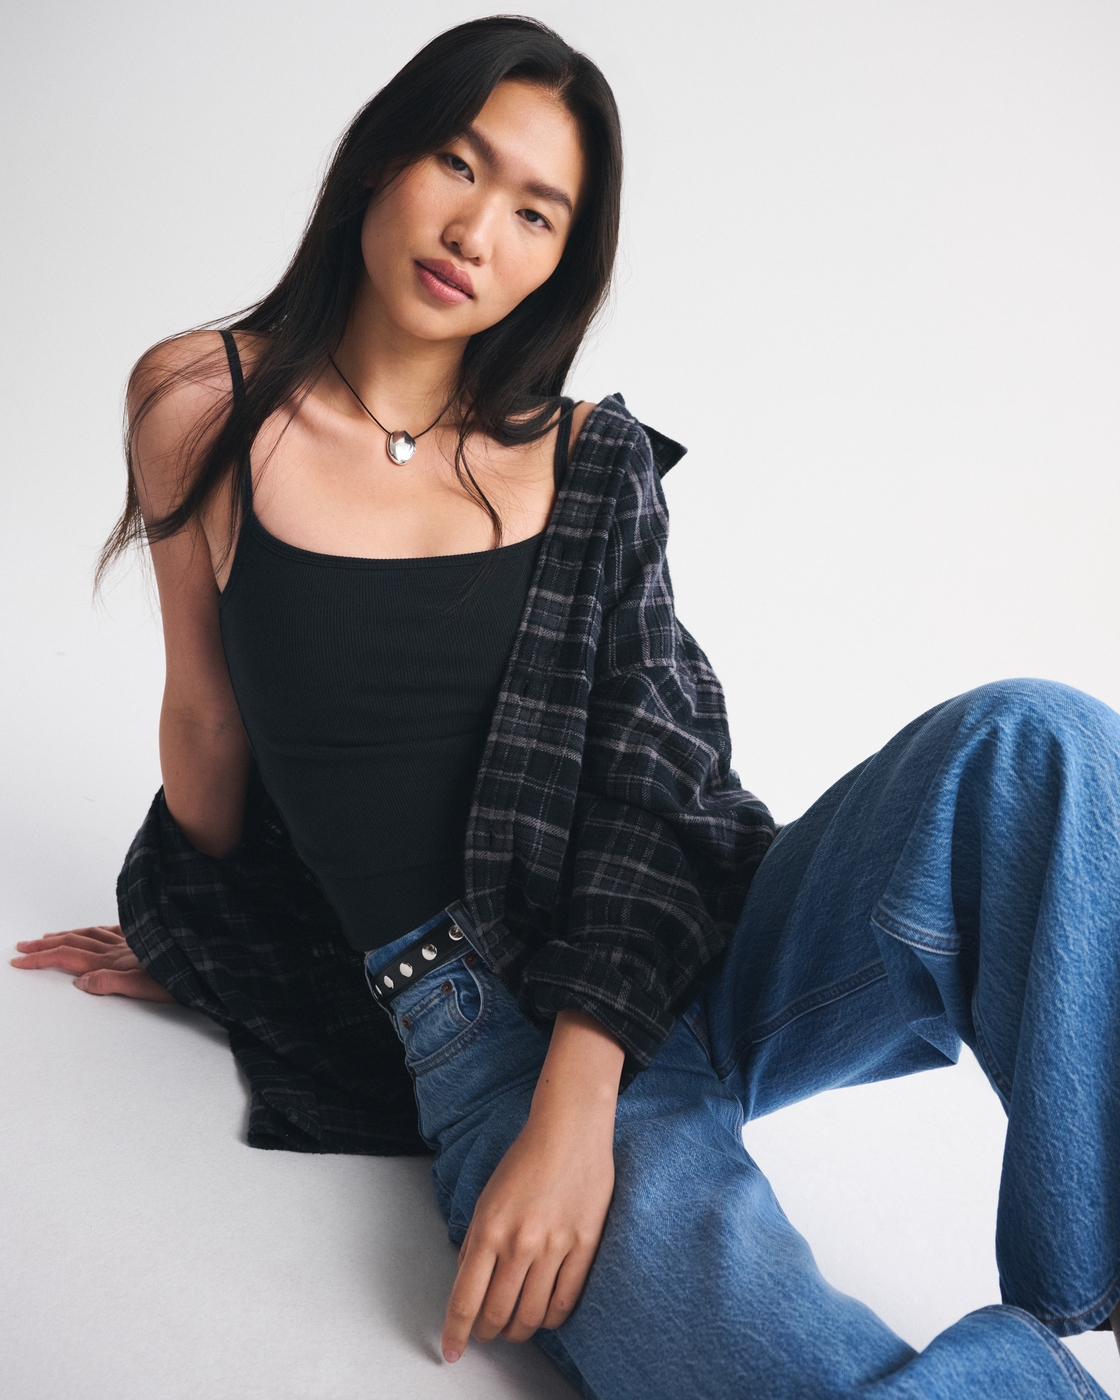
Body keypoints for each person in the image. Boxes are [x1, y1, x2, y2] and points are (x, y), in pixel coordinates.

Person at [12, 16, 1120, 1398]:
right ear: (381, 159)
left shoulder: (590, 458)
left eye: (536, 212)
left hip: (682, 946)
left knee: (1040, 744)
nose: (476, 232)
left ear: (561, 259)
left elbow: (665, 778)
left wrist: (579, 1104)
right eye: (458, 164)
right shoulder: (201, 400)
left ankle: (1090, 1279)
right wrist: (200, 939)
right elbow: (209, 717)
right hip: (481, 1026)